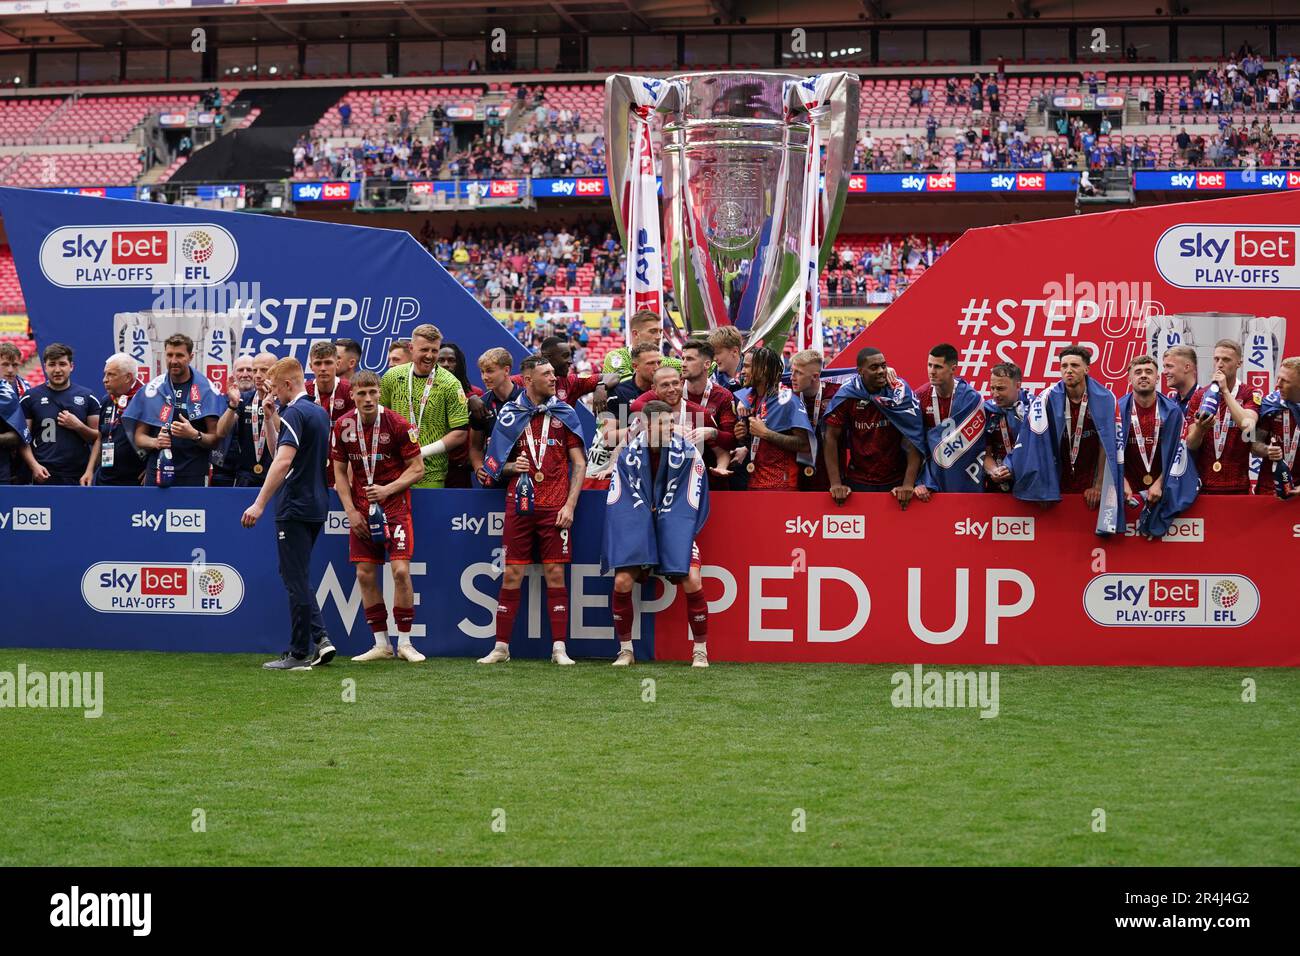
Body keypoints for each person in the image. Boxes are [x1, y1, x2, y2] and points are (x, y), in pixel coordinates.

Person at [477, 354, 587, 666]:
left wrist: (570, 505)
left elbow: (579, 462)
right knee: (512, 572)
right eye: (547, 373)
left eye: (554, 373)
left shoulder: (565, 412)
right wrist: (512, 466)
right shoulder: (511, 413)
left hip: (555, 506)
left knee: (555, 574)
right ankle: (501, 648)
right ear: (528, 380)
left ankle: (559, 649)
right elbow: (492, 464)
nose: (554, 378)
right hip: (520, 504)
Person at [241, 358, 336, 671]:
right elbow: (278, 450)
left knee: (294, 578)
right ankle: (321, 641)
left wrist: (259, 503)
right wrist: (271, 418)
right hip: (316, 505)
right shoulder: (317, 412)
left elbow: (282, 463)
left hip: (294, 505)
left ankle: (299, 652)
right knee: (298, 576)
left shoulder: (295, 412)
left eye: (275, 389)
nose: (273, 395)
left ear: (287, 385)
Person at [603, 401, 711, 668]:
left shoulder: (688, 453)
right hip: (638, 526)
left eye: (671, 422)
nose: (670, 428)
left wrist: (663, 516)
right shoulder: (628, 453)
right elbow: (622, 500)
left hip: (674, 527)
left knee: (693, 581)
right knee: (621, 582)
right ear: (648, 425)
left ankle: (700, 650)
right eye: (663, 423)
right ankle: (626, 650)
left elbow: (691, 498)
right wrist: (644, 519)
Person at [331, 371, 427, 662]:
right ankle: (381, 644)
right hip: (361, 510)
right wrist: (350, 512)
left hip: (395, 507)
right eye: (362, 393)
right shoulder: (342, 425)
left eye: (372, 392)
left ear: (380, 393)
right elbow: (338, 471)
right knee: (364, 573)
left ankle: (406, 642)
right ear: (352, 396)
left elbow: (417, 468)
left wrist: (388, 489)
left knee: (399, 571)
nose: (368, 398)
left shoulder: (398, 424)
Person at [1005, 345, 1124, 535]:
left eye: (1075, 365)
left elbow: (1108, 444)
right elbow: (1035, 443)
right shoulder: (1047, 398)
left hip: (1090, 477)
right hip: (1057, 476)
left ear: (1087, 369)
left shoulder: (1105, 398)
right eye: (1064, 366)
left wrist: (1099, 485)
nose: (1069, 370)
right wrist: (1043, 486)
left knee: (1085, 536)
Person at [821, 347, 926, 507]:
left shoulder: (899, 391)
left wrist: (908, 484)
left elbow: (912, 436)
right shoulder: (847, 394)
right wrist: (835, 483)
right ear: (860, 371)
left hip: (896, 481)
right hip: (858, 479)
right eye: (874, 367)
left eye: (884, 366)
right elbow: (830, 436)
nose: (881, 371)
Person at [123, 334, 226, 488]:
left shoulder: (206, 390)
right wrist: (155, 442)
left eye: (179, 355)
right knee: (153, 512)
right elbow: (139, 437)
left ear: (191, 357)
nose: (173, 361)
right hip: (157, 469)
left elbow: (215, 439)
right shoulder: (153, 389)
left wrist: (194, 435)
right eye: (169, 355)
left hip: (193, 471)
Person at [379, 324, 470, 488]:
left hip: (431, 474)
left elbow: (460, 433)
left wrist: (421, 452)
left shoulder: (450, 384)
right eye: (424, 350)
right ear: (411, 348)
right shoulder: (392, 376)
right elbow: (379, 418)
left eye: (434, 351)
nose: (429, 355)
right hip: (393, 470)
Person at [1119, 354, 1198, 537]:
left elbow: (1179, 454)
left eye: (1149, 372)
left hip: (1160, 491)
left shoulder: (1172, 411)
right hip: (1127, 492)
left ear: (1157, 378)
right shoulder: (1117, 409)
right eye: (1138, 372)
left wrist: (1161, 484)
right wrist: (1120, 480)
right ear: (1130, 378)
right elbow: (1109, 452)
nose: (1143, 376)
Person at [1184, 339, 1261, 495]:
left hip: (1238, 486)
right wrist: (1200, 429)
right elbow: (1191, 444)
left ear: (1239, 363)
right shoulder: (1199, 396)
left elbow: (1248, 426)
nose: (1219, 364)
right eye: (1216, 359)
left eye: (1226, 360)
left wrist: (1225, 391)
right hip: (1203, 486)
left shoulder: (1250, 393)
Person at [732, 346, 814, 491]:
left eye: (747, 367)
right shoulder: (749, 399)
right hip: (753, 481)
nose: (742, 372)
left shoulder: (788, 400)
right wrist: (744, 437)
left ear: (763, 369)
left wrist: (766, 433)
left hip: (781, 485)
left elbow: (804, 445)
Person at [20, 343, 100, 485]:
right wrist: (34, 466)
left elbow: (98, 438)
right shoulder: (30, 397)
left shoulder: (88, 397)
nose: (57, 370)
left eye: (62, 364)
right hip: (43, 472)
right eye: (52, 364)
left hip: (77, 474)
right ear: (45, 367)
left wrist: (78, 426)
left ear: (71, 366)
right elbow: (22, 439)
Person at [914, 343, 984, 495]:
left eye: (938, 367)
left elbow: (976, 446)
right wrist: (920, 481)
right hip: (930, 477)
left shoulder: (969, 398)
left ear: (953, 369)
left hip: (962, 474)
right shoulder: (920, 396)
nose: (932, 372)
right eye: (929, 365)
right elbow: (915, 442)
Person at [680, 338, 738, 485]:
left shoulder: (723, 396)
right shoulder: (672, 389)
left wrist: (712, 433)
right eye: (683, 359)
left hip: (710, 472)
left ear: (707, 364)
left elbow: (731, 440)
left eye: (690, 359)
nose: (683, 364)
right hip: (677, 471)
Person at [87, 353, 144, 487]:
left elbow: (159, 437)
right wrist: (89, 470)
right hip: (105, 478)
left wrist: (152, 469)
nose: (104, 380)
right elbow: (100, 438)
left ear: (128, 377)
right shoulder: (107, 400)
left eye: (111, 375)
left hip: (134, 480)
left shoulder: (144, 400)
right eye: (105, 374)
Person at [306, 340, 355, 488]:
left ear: (337, 364)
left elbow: (357, 439)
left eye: (328, 363)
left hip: (343, 466)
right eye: (318, 363)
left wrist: (348, 479)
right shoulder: (304, 391)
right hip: (311, 466)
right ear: (310, 366)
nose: (323, 368)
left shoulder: (349, 391)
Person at [789, 349, 839, 492]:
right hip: (796, 478)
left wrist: (889, 372)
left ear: (815, 376)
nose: (792, 377)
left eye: (798, 373)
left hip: (830, 479)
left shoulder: (836, 394)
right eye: (792, 371)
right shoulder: (788, 396)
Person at [470, 347, 521, 482]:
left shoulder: (527, 399)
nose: (484, 377)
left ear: (506, 370)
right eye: (482, 372)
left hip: (524, 474)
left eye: (490, 371)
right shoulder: (481, 405)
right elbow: (476, 447)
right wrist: (478, 467)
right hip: (494, 477)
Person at [1252, 355, 1300, 498]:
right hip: (1269, 490)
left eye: (1285, 381)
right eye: (1278, 378)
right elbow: (1254, 445)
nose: (1278, 385)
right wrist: (1267, 450)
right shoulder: (1270, 405)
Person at [437, 341, 483, 488]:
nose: (446, 364)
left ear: (459, 364)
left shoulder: (475, 394)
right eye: (441, 360)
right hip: (430, 468)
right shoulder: (423, 393)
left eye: (451, 360)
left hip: (459, 470)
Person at [982, 362, 1028, 493]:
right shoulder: (987, 411)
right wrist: (994, 471)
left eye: (1001, 389)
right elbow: (985, 453)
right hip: (997, 485)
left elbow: (1035, 451)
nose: (995, 394)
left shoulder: (1033, 410)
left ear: (1018, 386)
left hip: (1028, 484)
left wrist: (1012, 466)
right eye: (992, 388)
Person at [602, 310, 682, 381]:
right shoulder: (616, 357)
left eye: (660, 332)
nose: (659, 337)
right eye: (652, 331)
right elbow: (629, 387)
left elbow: (690, 368)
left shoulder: (665, 361)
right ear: (636, 334)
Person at [606, 342, 662, 425]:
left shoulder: (667, 390)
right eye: (650, 363)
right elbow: (610, 434)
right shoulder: (619, 393)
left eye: (659, 363)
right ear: (635, 366)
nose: (657, 368)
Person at [0, 373, 38, 485]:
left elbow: (21, 436)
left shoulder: (22, 392)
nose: (10, 370)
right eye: (5, 364)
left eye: (14, 365)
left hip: (7, 469)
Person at [1162, 344, 1201, 414]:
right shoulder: (1169, 404)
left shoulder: (1205, 401)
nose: (1164, 372)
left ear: (1187, 367)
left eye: (1169, 366)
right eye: (1164, 367)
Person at [706, 326, 744, 391]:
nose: (714, 358)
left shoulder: (755, 374)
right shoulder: (712, 379)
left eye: (718, 353)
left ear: (734, 351)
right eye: (713, 354)